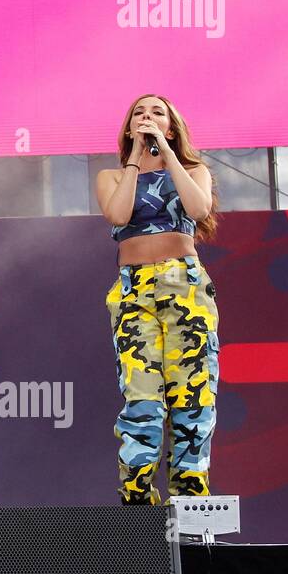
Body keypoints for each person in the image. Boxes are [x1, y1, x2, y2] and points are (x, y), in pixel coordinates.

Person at [94, 94, 219, 505]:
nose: (147, 117)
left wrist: (166, 152)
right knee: (142, 401)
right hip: (134, 291)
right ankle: (138, 505)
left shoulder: (194, 170)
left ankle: (191, 504)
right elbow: (118, 215)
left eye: (157, 112)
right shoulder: (111, 176)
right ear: (129, 127)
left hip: (184, 286)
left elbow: (198, 208)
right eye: (139, 113)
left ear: (171, 126)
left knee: (192, 397)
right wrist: (135, 158)